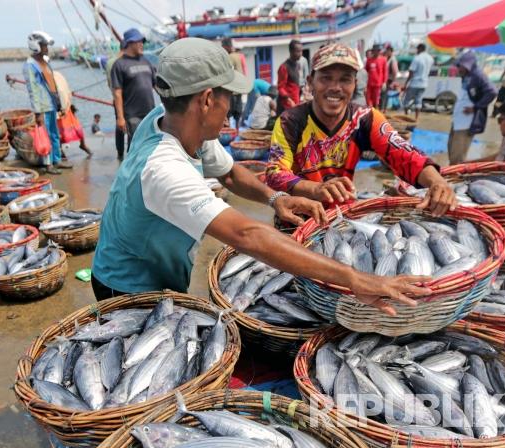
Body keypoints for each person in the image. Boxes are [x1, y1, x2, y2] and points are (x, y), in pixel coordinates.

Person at [92, 37, 430, 314]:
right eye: (231, 97)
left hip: (159, 267)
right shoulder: (164, 169)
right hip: (127, 283)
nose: (233, 107)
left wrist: (276, 198)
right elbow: (247, 235)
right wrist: (355, 279)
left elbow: (230, 174)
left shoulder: (173, 119)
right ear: (207, 100)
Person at [267, 43, 456, 215]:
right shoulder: (290, 121)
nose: (335, 87)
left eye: (345, 80)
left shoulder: (365, 118)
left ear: (355, 85)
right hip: (296, 215)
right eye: (325, 78)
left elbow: (404, 154)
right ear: (310, 83)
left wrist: (438, 183)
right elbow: (275, 173)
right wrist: (315, 189)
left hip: (341, 214)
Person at [23, 31, 68, 174]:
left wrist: (59, 103)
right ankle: (48, 164)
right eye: (44, 45)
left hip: (52, 104)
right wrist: (38, 112)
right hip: (42, 107)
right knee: (46, 135)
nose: (46, 48)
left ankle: (57, 160)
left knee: (54, 134)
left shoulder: (45, 62)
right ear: (36, 45)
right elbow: (33, 90)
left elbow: (53, 83)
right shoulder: (30, 65)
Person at [110, 28, 156, 159]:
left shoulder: (146, 61)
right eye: (139, 42)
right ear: (129, 43)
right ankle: (131, 174)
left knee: (149, 144)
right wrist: (120, 117)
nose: (142, 44)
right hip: (132, 114)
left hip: (149, 112)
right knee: (135, 146)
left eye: (142, 41)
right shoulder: (119, 65)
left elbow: (156, 85)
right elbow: (117, 93)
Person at [447, 51, 497, 165]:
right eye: (459, 65)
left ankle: (454, 178)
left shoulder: (478, 75)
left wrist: (476, 107)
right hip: (458, 120)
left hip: (466, 122)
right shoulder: (466, 76)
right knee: (452, 149)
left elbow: (492, 91)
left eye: (461, 66)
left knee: (458, 155)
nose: (459, 68)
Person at [54, 71, 92, 158]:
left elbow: (64, 90)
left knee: (78, 129)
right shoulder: (50, 77)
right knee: (59, 132)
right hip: (56, 111)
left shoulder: (57, 76)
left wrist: (66, 104)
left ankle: (83, 145)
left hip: (65, 108)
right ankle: (60, 150)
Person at [221, 37, 248, 131]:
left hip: (232, 90)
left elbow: (227, 71)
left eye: (223, 47)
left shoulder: (230, 57)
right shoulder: (239, 56)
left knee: (228, 112)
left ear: (226, 47)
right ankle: (237, 130)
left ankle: (228, 131)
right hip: (239, 89)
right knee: (238, 112)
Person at [402, 44, 433, 120]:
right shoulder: (430, 58)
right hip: (424, 83)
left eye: (417, 49)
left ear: (420, 49)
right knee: (418, 101)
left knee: (406, 101)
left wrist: (406, 83)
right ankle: (416, 118)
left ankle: (406, 117)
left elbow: (411, 72)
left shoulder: (417, 58)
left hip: (415, 83)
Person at [278, 40, 305, 113]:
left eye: (301, 51)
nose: (300, 54)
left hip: (296, 102)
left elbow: (294, 84)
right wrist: (290, 101)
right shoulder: (284, 67)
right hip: (287, 106)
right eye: (298, 51)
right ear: (291, 51)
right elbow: (280, 88)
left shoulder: (298, 65)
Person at [365, 44, 386, 109]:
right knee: (368, 100)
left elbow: (385, 72)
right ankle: (370, 113)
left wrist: (384, 82)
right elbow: (366, 71)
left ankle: (376, 114)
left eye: (378, 50)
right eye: (375, 50)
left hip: (378, 84)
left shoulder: (383, 60)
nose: (377, 52)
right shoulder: (369, 60)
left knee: (376, 101)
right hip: (369, 84)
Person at [382, 44, 399, 110]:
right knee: (384, 94)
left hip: (389, 80)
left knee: (385, 94)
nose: (387, 52)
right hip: (386, 79)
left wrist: (393, 82)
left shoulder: (393, 59)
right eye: (386, 51)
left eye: (388, 51)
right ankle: (384, 108)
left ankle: (384, 109)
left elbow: (395, 71)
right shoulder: (387, 58)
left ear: (391, 52)